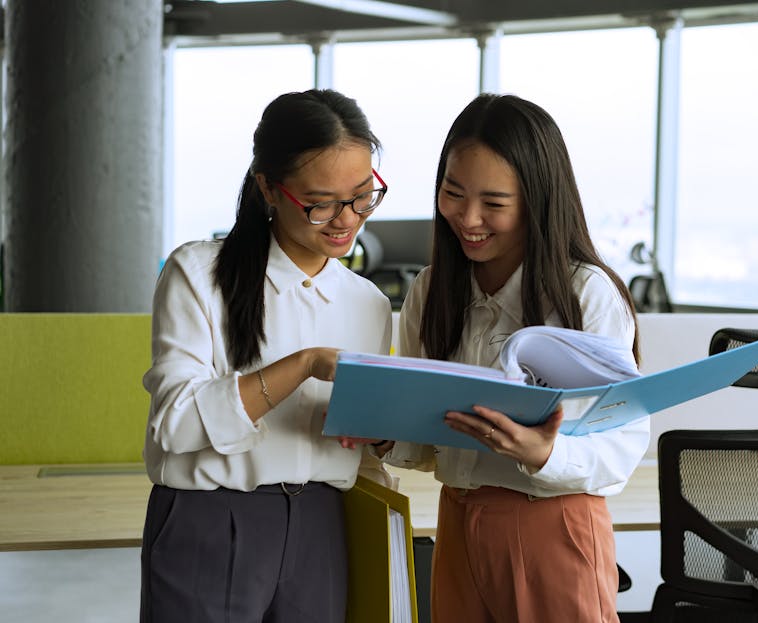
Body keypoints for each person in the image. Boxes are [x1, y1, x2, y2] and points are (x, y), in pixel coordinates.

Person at [374, 93, 650, 623]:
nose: (468, 218)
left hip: (551, 521)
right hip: (456, 519)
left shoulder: (583, 293)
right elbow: (425, 436)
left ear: (538, 201)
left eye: (494, 204)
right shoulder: (433, 289)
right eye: (453, 193)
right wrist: (385, 431)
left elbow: (622, 443)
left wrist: (543, 453)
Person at [140, 89, 392, 623]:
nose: (345, 219)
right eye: (320, 202)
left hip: (324, 522)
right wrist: (303, 365)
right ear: (267, 189)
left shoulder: (367, 303)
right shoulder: (198, 275)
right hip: (210, 517)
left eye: (363, 196)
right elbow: (175, 424)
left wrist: (379, 430)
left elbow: (365, 444)